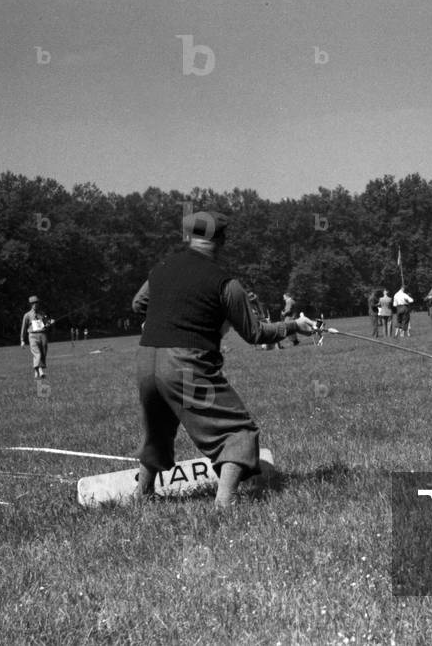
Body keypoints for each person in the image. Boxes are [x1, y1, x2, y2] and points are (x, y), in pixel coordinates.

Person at [131, 211, 316, 510]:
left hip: (146, 362)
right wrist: (294, 325)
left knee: (159, 428)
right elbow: (255, 333)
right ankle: (225, 504)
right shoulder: (225, 283)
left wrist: (172, 313)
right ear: (222, 240)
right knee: (236, 430)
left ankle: (143, 495)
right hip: (185, 365)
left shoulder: (161, 269)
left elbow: (138, 303)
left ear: (188, 236)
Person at [20, 296, 54, 379]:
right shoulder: (27, 315)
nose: (35, 304)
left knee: (43, 353)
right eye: (33, 303)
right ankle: (41, 371)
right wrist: (22, 340)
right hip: (32, 336)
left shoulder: (42, 314)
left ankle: (36, 370)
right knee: (37, 353)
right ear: (30, 305)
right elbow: (23, 328)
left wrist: (50, 322)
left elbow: (46, 324)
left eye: (36, 303)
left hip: (43, 335)